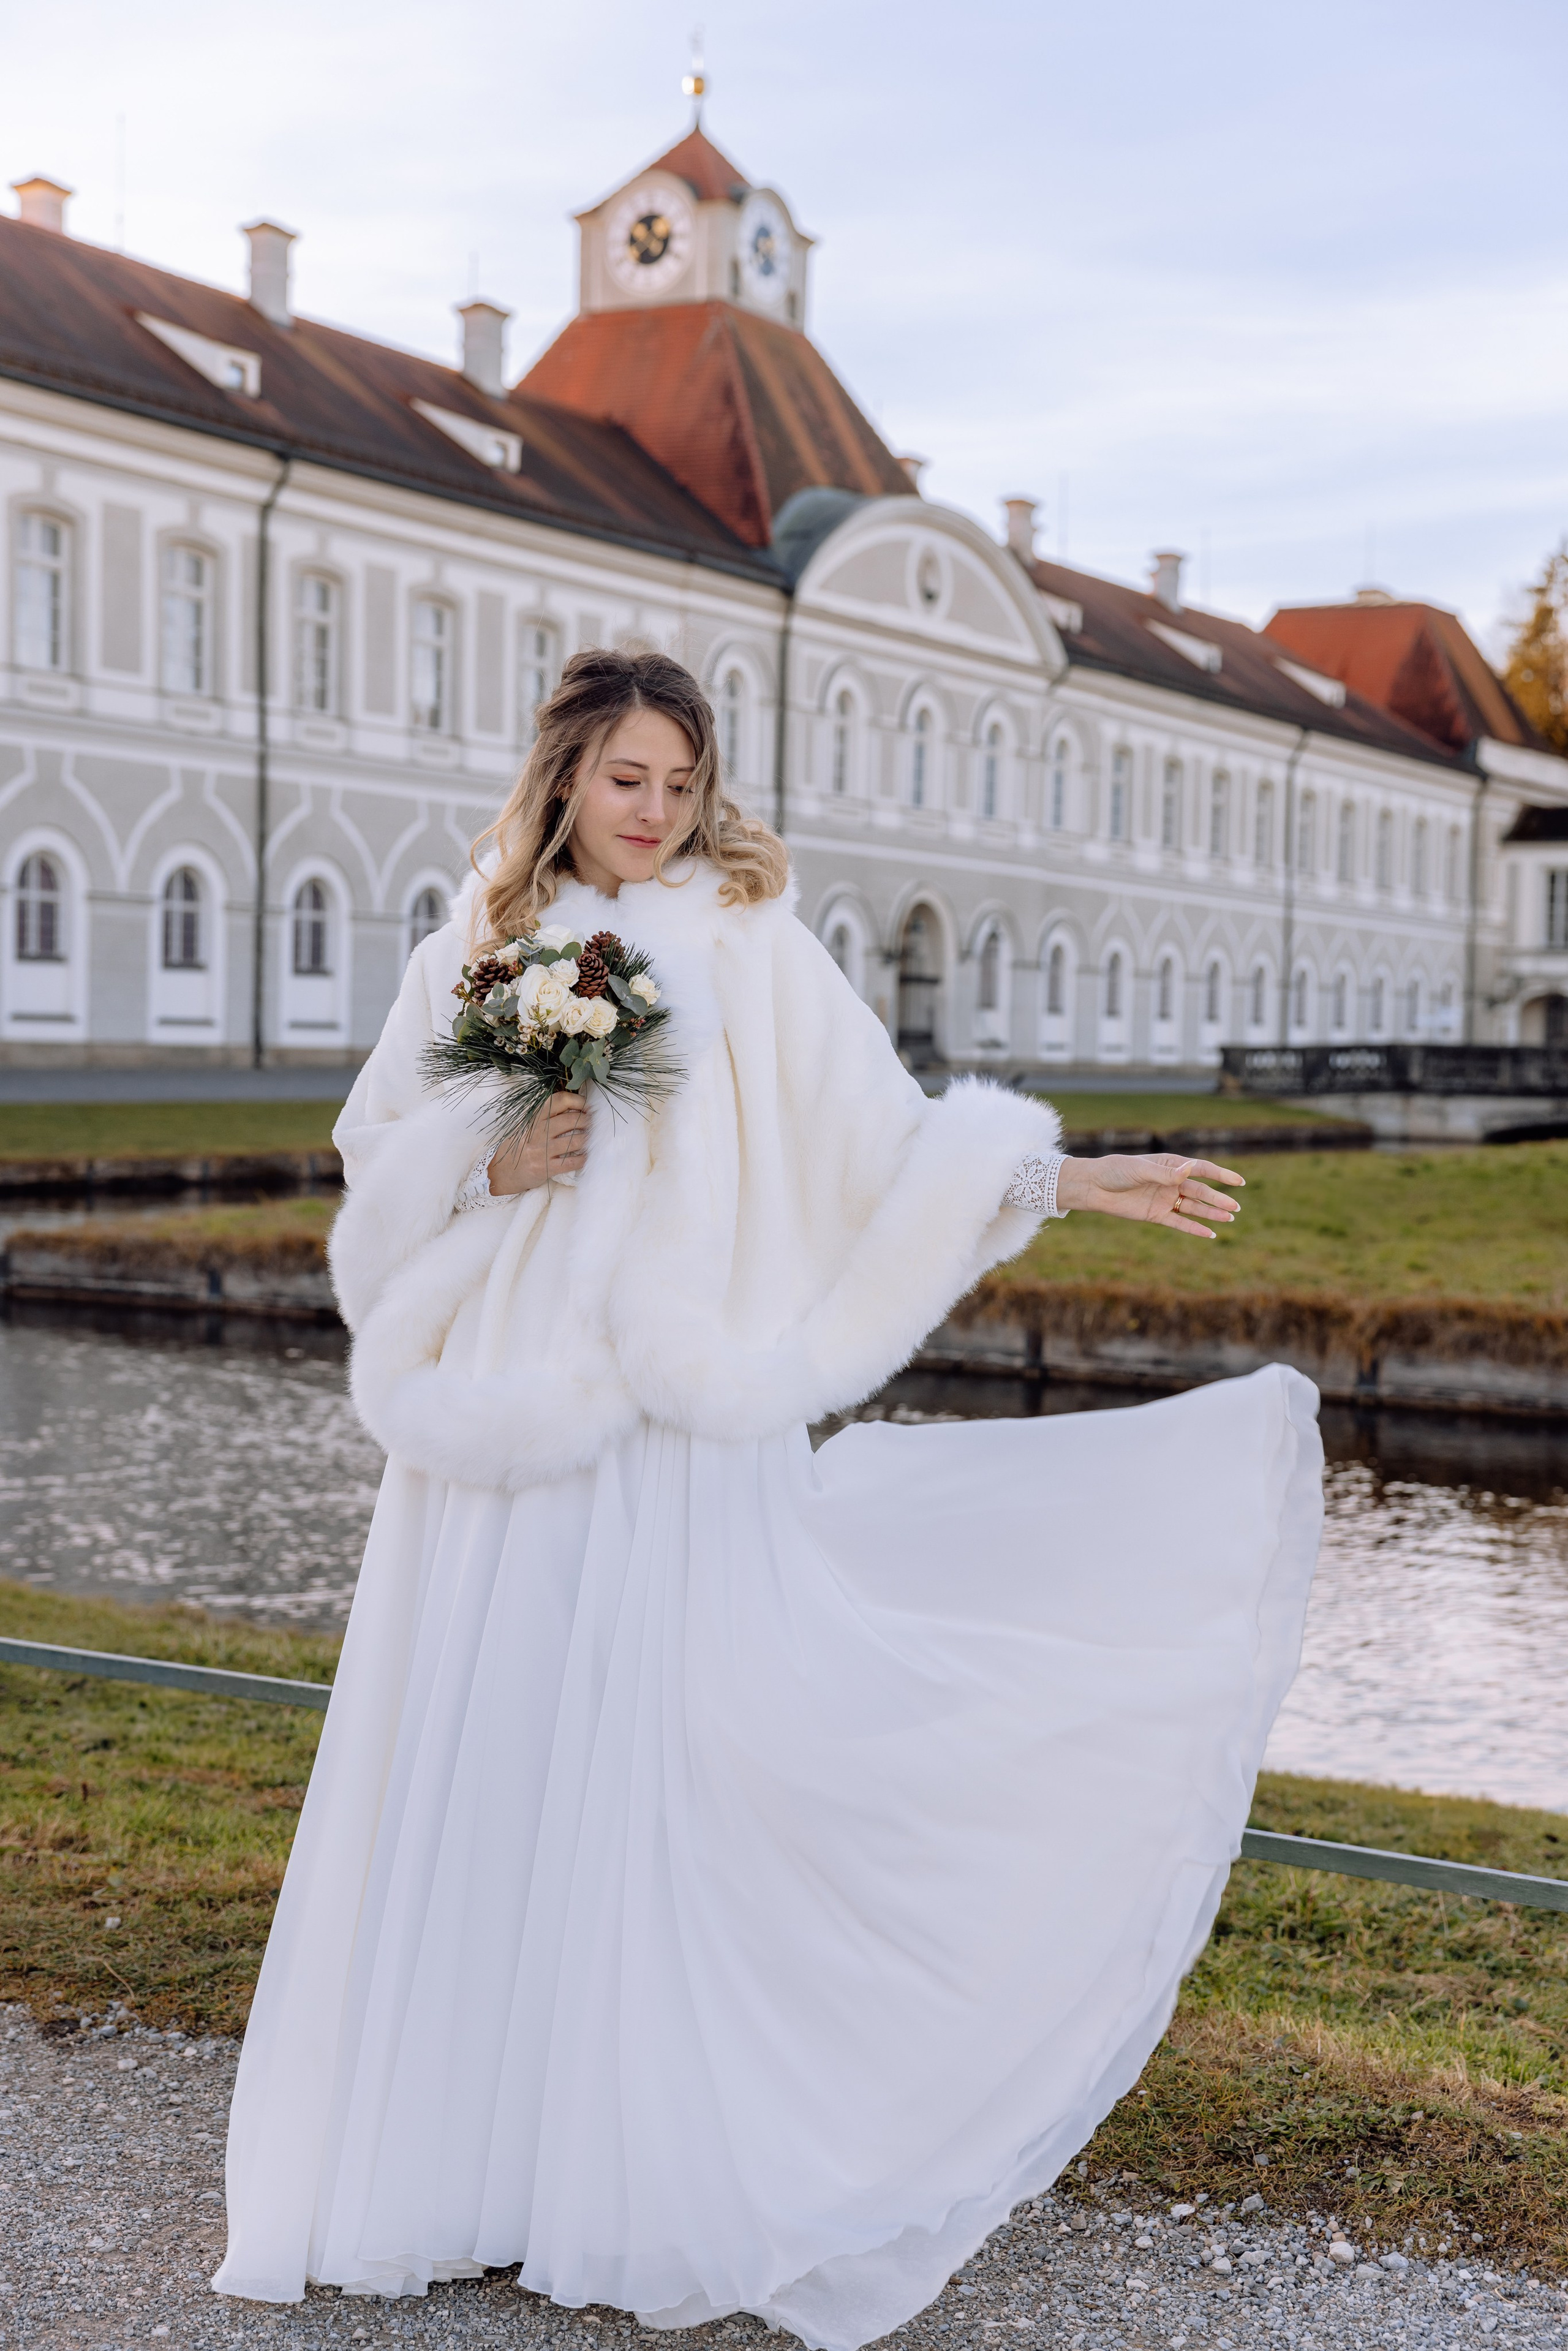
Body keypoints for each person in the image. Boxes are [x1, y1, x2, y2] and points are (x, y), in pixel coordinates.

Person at [214, 649, 1322, 2351]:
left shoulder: (749, 938)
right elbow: (383, 1148)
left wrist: (1077, 1175)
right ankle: (463, 2160)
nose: (653, 811)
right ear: (569, 777)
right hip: (513, 1404)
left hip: (682, 1412)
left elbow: (879, 1134)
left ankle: (628, 2155)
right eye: (625, 780)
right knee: (498, 1738)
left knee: (665, 1747)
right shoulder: (481, 939)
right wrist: (493, 1158)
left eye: (679, 780)